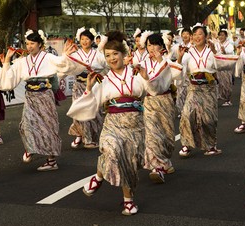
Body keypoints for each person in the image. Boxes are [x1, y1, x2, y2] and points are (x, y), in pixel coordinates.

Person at [67, 31, 171, 215]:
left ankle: (128, 201)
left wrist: (147, 78)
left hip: (136, 125)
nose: (112, 58)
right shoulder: (104, 80)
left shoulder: (137, 74)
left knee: (128, 163)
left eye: (115, 54)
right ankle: (98, 177)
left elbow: (154, 90)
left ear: (124, 54)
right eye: (108, 55)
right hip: (113, 123)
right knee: (111, 149)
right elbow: (91, 104)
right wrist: (89, 89)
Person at [0, 29, 76, 171]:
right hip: (30, 96)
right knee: (26, 124)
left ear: (40, 44)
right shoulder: (22, 61)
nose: (29, 46)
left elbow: (62, 64)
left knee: (48, 126)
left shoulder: (48, 57)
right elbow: (9, 80)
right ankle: (31, 147)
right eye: (27, 43)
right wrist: (7, 60)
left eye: (32, 43)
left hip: (45, 95)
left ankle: (51, 160)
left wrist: (65, 55)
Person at [177, 23, 237, 157]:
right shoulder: (187, 52)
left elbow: (221, 65)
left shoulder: (211, 50)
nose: (197, 37)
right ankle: (186, 144)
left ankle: (210, 145)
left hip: (208, 88)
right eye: (195, 34)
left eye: (200, 34)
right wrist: (180, 57)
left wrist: (215, 52)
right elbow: (179, 70)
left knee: (208, 119)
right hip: (193, 88)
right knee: (187, 115)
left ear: (206, 36)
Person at [139, 31, 183, 183]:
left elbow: (179, 72)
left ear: (161, 46)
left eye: (155, 44)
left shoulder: (166, 62)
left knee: (167, 135)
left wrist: (161, 60)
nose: (151, 48)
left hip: (165, 101)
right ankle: (156, 168)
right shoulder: (143, 64)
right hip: (150, 102)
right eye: (149, 45)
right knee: (151, 135)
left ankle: (165, 161)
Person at [64, 27, 108, 149]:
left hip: (94, 85)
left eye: (87, 39)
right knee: (79, 109)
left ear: (92, 41)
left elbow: (106, 66)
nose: (84, 41)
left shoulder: (98, 54)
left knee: (95, 111)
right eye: (82, 39)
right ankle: (80, 134)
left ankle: (94, 136)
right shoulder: (75, 54)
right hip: (79, 85)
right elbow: (67, 66)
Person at [170, 27, 193, 116]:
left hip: (189, 73)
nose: (185, 35)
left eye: (187, 34)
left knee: (189, 93)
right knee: (180, 93)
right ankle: (182, 110)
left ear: (191, 35)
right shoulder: (178, 46)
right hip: (180, 71)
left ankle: (188, 111)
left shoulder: (193, 47)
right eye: (183, 34)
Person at [214, 29, 235, 107]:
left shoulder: (229, 44)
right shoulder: (216, 44)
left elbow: (231, 52)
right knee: (218, 82)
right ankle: (220, 95)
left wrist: (225, 51)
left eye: (223, 35)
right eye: (220, 35)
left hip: (226, 66)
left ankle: (228, 99)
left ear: (226, 36)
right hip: (218, 66)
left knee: (227, 83)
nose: (221, 37)